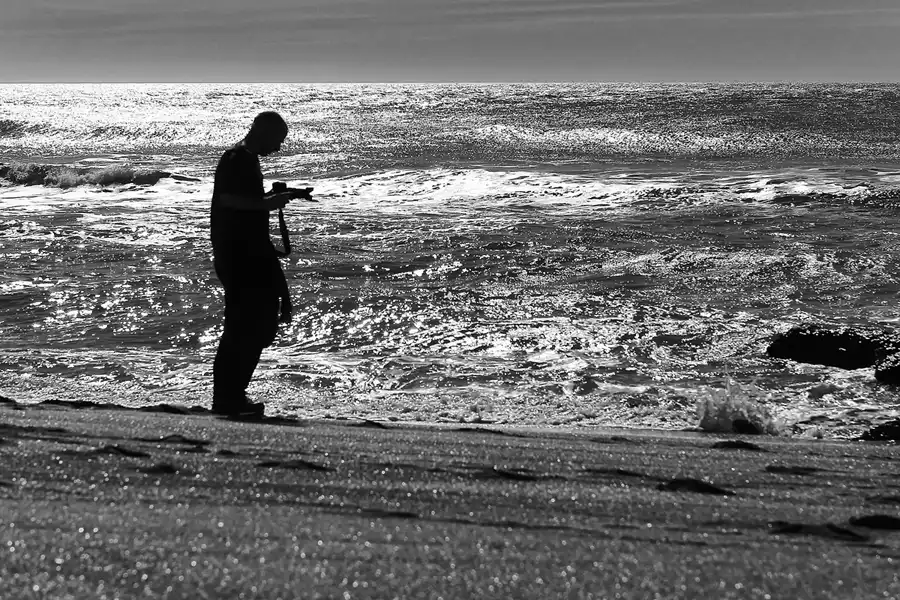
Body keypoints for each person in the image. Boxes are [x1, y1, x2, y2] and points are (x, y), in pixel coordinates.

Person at [209, 111, 308, 417]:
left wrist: (278, 195)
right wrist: (269, 203)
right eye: (278, 141)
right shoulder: (236, 158)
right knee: (244, 328)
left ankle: (232, 396)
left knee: (255, 325)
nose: (279, 148)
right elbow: (229, 200)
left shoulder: (246, 158)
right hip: (240, 256)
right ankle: (228, 398)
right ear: (261, 132)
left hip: (247, 253)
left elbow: (242, 200)